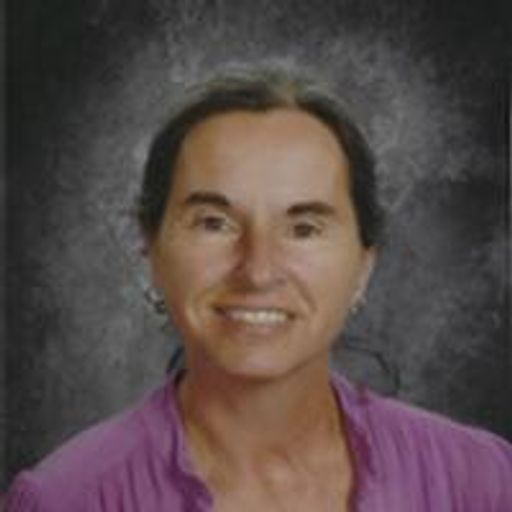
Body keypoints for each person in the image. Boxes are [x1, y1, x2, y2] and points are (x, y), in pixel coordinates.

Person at [5, 65, 512, 511]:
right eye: (214, 222)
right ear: (151, 249)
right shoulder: (66, 500)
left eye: (304, 228)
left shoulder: (484, 483)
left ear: (364, 265)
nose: (258, 270)